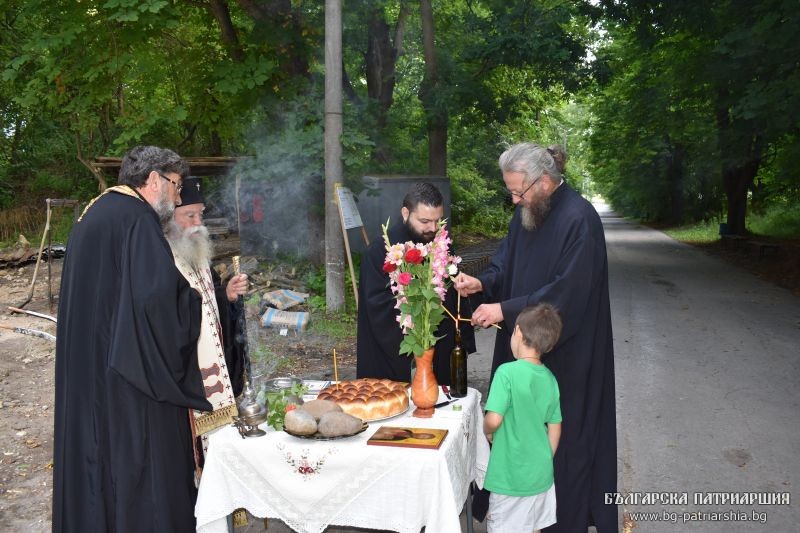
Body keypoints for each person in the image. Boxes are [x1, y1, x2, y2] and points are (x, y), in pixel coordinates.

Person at [455, 142, 617, 532]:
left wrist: (504, 311)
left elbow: (567, 293)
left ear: (544, 181)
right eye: (510, 191)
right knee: (516, 432)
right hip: (521, 349)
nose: (514, 200)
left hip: (567, 355)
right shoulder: (527, 212)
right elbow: (504, 263)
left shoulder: (580, 219)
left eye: (518, 191)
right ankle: (517, 513)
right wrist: (483, 283)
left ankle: (561, 522)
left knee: (562, 439)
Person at [53, 146, 211, 532]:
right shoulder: (138, 219)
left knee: (98, 467)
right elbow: (157, 305)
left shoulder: (96, 213)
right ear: (154, 180)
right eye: (175, 186)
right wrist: (194, 299)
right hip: (128, 379)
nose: (178, 197)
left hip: (90, 369)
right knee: (138, 469)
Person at [163, 177, 249, 470]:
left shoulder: (197, 252)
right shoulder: (162, 258)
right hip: (186, 374)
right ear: (169, 219)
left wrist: (227, 295)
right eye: (190, 216)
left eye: (201, 215)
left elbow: (211, 306)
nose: (198, 224)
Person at [357, 182, 475, 384]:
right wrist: (418, 314)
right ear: (406, 213)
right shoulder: (380, 251)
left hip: (440, 347)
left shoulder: (440, 244)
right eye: (425, 221)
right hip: (397, 355)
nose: (433, 228)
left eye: (437, 220)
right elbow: (376, 307)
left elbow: (452, 292)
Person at [483, 303, 563, 533]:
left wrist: (486, 429)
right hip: (541, 477)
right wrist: (545, 459)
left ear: (517, 332)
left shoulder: (506, 373)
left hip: (509, 478)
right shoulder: (550, 379)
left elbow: (494, 419)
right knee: (533, 527)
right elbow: (555, 426)